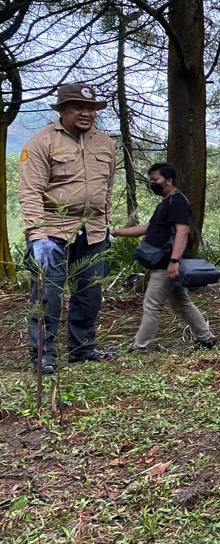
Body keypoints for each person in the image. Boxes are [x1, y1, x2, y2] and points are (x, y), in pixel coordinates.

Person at [19, 82, 117, 374]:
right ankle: (43, 355)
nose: (86, 113)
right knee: (48, 294)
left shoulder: (105, 143)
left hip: (94, 231)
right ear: (62, 110)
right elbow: (30, 192)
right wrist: (37, 237)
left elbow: (107, 189)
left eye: (91, 108)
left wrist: (106, 224)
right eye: (78, 107)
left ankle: (82, 348)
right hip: (52, 232)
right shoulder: (41, 142)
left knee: (90, 292)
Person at [111, 163, 216, 352]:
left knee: (152, 304)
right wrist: (116, 233)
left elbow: (183, 231)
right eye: (151, 180)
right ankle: (206, 338)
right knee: (182, 303)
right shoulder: (166, 203)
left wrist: (174, 261)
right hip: (166, 263)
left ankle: (139, 346)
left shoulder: (177, 202)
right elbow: (147, 228)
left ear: (168, 180)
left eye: (156, 180)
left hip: (167, 264)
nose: (153, 184)